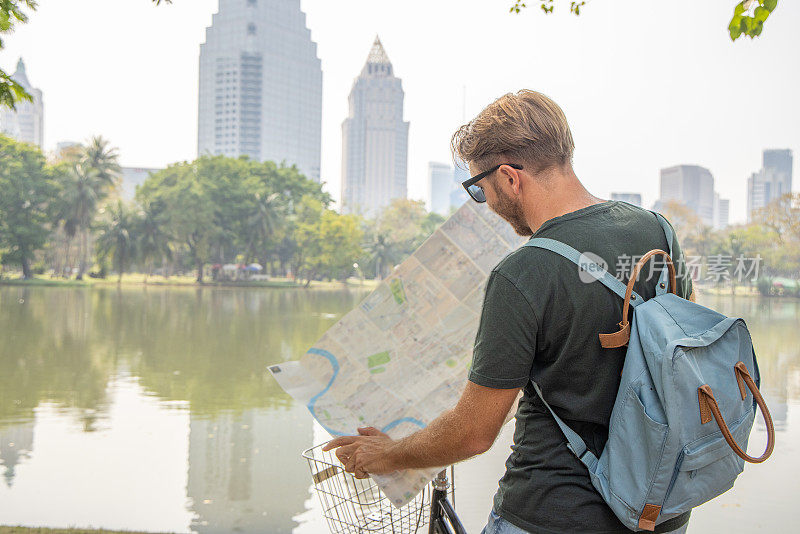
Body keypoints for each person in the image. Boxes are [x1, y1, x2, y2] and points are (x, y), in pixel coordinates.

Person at [323, 90, 693, 534]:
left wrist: (386, 454)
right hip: (658, 507)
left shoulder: (523, 273)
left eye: (481, 189)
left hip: (551, 514)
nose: (488, 203)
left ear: (509, 178)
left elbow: (474, 433)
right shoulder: (657, 230)